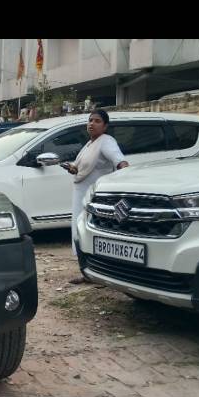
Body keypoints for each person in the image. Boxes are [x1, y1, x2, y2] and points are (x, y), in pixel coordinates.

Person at [64, 110, 129, 283]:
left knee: (88, 233)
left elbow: (120, 161)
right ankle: (88, 273)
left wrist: (126, 178)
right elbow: (82, 169)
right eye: (90, 120)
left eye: (97, 121)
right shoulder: (90, 144)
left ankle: (93, 273)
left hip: (94, 199)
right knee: (78, 232)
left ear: (105, 126)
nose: (92, 123)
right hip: (81, 195)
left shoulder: (106, 142)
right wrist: (71, 168)